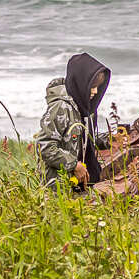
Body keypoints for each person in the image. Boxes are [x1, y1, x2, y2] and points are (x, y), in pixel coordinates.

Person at [34, 53, 111, 188]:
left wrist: (108, 141)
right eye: (92, 85)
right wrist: (73, 165)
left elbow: (82, 140)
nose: (95, 91)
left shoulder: (87, 108)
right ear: (80, 82)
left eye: (98, 86)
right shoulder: (61, 107)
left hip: (81, 184)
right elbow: (44, 146)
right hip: (59, 187)